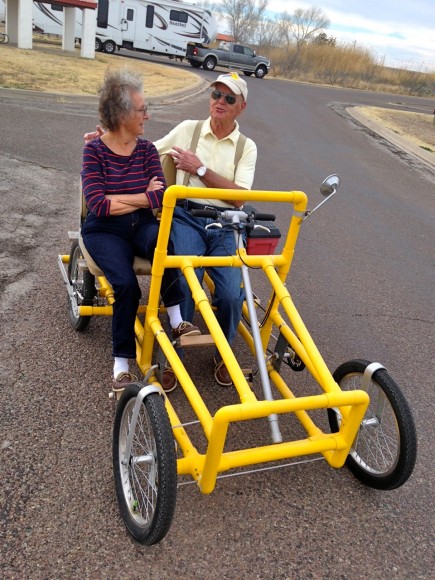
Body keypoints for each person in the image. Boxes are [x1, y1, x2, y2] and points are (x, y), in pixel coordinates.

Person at [84, 72, 257, 387]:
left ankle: (224, 353)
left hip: (226, 223)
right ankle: (172, 356)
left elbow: (239, 197)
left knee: (232, 295)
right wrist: (107, 139)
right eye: (216, 95)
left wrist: (199, 169)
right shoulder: (188, 130)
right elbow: (140, 152)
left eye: (228, 98)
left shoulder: (246, 147)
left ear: (240, 107)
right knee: (182, 272)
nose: (219, 102)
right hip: (186, 216)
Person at [81, 69, 199, 392]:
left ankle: (176, 321)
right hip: (104, 231)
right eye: (142, 109)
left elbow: (159, 195)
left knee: (164, 244)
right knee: (127, 286)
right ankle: (121, 364)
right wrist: (141, 196)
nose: (147, 114)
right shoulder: (94, 151)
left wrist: (123, 197)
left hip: (141, 226)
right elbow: (98, 205)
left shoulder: (146, 150)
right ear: (121, 114)